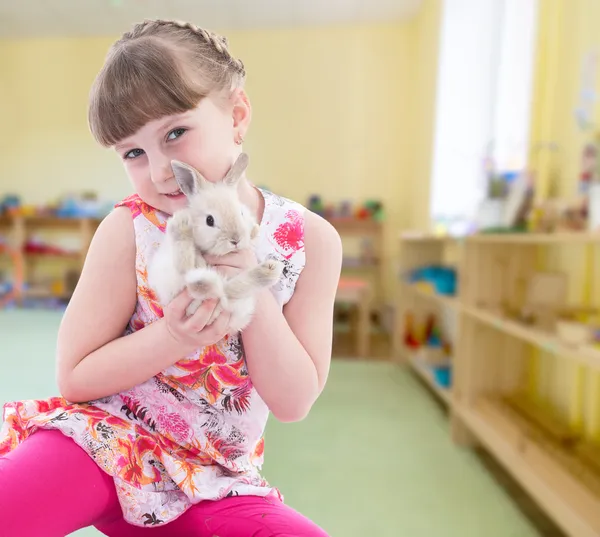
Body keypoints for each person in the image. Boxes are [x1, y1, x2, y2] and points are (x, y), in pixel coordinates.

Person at [0, 18, 342, 537]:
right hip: (103, 443)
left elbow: (293, 401)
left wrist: (254, 288)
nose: (159, 171)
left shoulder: (308, 240)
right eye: (134, 153)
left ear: (238, 115)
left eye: (175, 133)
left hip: (216, 480)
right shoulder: (130, 227)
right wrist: (174, 336)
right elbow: (75, 377)